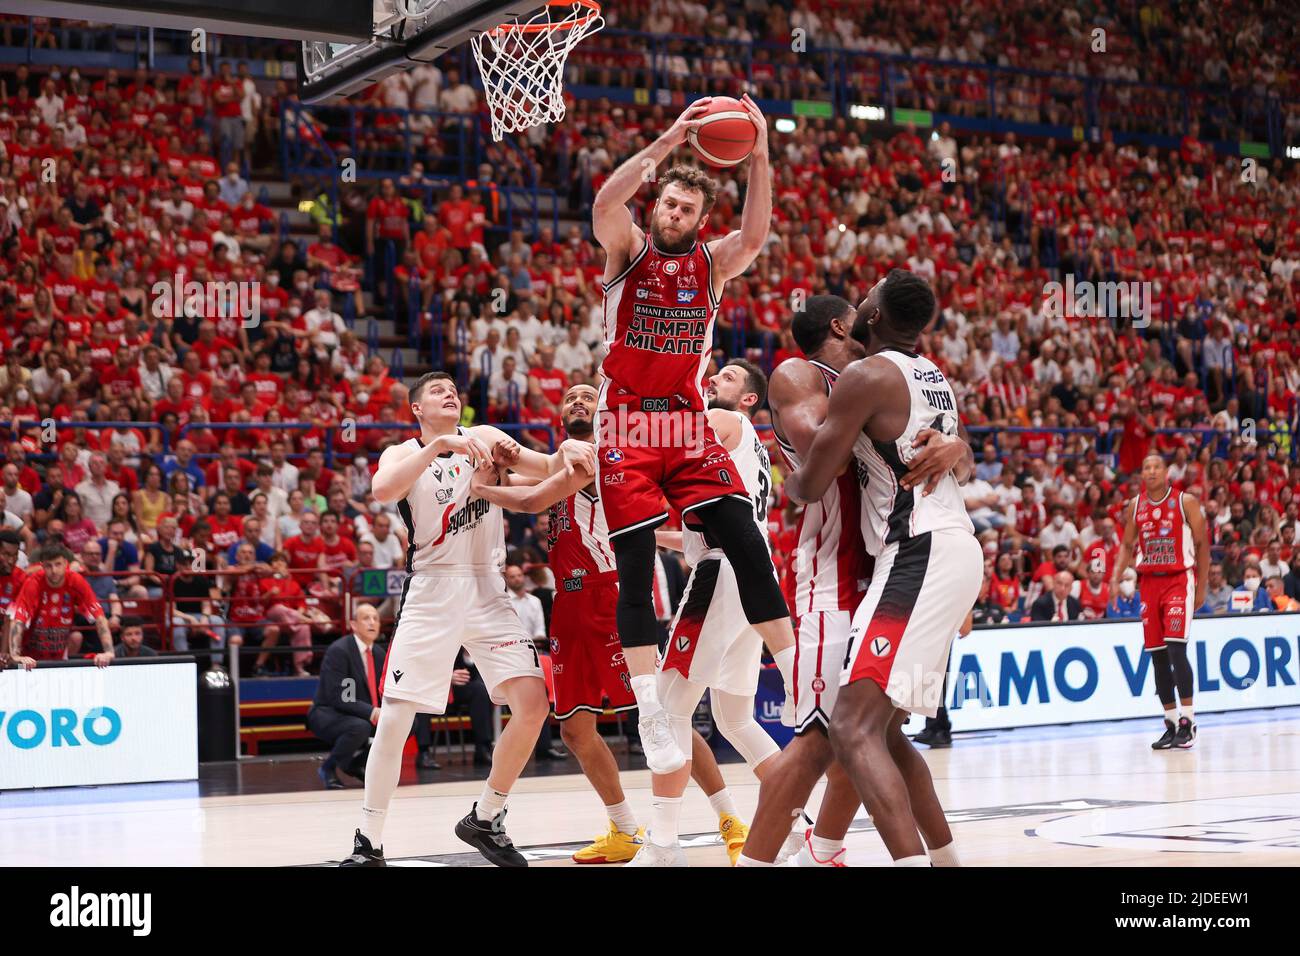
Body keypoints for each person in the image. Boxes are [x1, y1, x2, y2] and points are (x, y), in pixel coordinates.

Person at [592, 96, 798, 777]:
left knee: (744, 536)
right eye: (669, 205)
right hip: (624, 416)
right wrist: (665, 141)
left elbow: (757, 235)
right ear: (657, 206)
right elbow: (604, 199)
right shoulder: (628, 248)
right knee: (633, 563)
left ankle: (799, 677)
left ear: (701, 219)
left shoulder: (712, 264)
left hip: (682, 417)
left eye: (687, 209)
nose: (674, 214)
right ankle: (650, 705)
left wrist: (761, 151)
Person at [470, 383, 752, 865]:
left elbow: (531, 496)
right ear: (559, 412)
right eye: (570, 398)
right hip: (569, 607)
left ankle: (730, 819)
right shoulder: (563, 458)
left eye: (587, 396)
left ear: (603, 411)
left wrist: (483, 483)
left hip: (610, 597)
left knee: (667, 717)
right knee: (575, 730)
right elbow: (527, 478)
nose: (578, 402)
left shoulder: (601, 452)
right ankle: (623, 828)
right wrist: (495, 466)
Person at [340, 371, 595, 868]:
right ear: (417, 409)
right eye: (436, 391)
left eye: (453, 389)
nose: (449, 393)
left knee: (533, 703)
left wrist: (575, 451)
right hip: (433, 588)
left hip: (488, 587)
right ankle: (367, 841)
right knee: (395, 720)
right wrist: (439, 448)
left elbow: (544, 466)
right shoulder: (403, 452)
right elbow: (382, 490)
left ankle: (487, 815)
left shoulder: (486, 438)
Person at [783, 269, 981, 868]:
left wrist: (776, 467)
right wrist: (959, 449)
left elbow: (810, 484)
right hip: (950, 546)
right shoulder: (935, 377)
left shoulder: (865, 376)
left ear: (871, 314)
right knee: (887, 733)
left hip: (917, 551)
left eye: (866, 294)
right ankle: (944, 861)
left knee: (850, 728)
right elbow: (964, 457)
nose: (858, 298)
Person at [1111, 453, 1209, 751]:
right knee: (1157, 654)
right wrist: (1115, 578)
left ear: (1167, 471)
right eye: (1146, 467)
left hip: (1179, 579)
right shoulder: (1135, 506)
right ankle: (1169, 721)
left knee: (1177, 649)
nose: (1151, 471)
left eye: (1156, 466)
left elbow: (1203, 543)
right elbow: (1127, 545)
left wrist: (1201, 585)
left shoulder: (1186, 501)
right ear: (1142, 474)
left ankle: (1188, 721)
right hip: (1149, 584)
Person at [309, 603, 388, 790]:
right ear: (353, 625)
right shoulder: (341, 651)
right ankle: (328, 769)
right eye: (366, 618)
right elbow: (342, 697)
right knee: (359, 726)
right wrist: (372, 712)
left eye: (376, 618)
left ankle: (355, 765)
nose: (372, 622)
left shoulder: (378, 653)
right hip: (329, 713)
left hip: (359, 713)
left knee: (405, 724)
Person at [8, 542, 114, 669]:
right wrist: (15, 656)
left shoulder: (76, 580)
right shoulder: (33, 583)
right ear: (42, 566)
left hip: (58, 658)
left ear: (65, 564)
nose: (54, 570)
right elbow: (17, 621)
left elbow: (99, 617)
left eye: (58, 564)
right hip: (29, 659)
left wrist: (109, 652)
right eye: (48, 566)